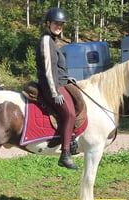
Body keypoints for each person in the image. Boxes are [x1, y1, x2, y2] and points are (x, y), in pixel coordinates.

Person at [35, 7, 79, 170]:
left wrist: (66, 78)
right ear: (48, 23)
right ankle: (65, 154)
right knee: (70, 114)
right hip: (49, 86)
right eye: (55, 23)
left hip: (59, 82)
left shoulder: (53, 42)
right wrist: (55, 91)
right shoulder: (46, 41)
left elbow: (57, 67)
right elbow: (48, 68)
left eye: (61, 24)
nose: (58, 26)